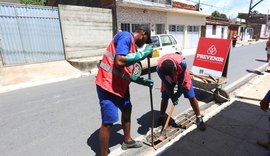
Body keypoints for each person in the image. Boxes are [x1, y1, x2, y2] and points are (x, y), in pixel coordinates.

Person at [95, 25, 154, 156]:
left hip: (121, 86)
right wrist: (142, 54)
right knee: (108, 122)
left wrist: (141, 81)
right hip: (108, 85)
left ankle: (127, 140)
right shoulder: (126, 36)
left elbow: (125, 72)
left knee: (127, 109)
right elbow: (119, 62)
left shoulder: (132, 46)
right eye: (146, 41)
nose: (144, 44)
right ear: (143, 34)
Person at [156, 53, 206, 131]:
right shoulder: (159, 69)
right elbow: (166, 84)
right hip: (167, 78)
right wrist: (172, 96)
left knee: (191, 96)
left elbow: (181, 81)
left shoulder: (182, 63)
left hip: (182, 75)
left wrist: (178, 93)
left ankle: (199, 117)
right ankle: (161, 117)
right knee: (165, 96)